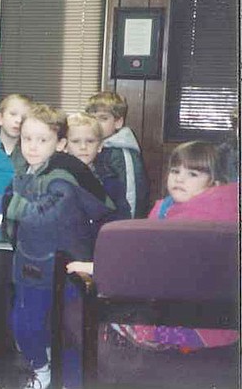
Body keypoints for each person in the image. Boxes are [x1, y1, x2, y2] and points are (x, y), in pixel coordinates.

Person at [67, 141, 239, 352]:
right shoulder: (175, 208)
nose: (179, 178)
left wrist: (97, 269)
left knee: (78, 309)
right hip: (203, 320)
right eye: (175, 170)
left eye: (193, 174)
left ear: (216, 183)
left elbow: (148, 268)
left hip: (187, 325)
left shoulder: (196, 223)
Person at [0, 103, 115, 389]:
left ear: (60, 144)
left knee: (60, 331)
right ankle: (43, 368)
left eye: (42, 140)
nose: (32, 146)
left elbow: (43, 215)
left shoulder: (62, 177)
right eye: (27, 139)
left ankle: (50, 373)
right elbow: (15, 199)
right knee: (26, 324)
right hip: (33, 264)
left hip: (57, 267)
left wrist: (10, 205)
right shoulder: (32, 169)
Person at [86, 91, 149, 218]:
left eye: (103, 118)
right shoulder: (90, 147)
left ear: (118, 122)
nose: (96, 124)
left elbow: (131, 195)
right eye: (92, 118)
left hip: (119, 225)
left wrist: (125, 229)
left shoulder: (121, 153)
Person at [66, 112, 130, 219]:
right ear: (65, 145)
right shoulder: (56, 178)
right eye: (76, 141)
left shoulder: (110, 179)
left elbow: (122, 218)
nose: (83, 147)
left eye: (90, 141)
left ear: (100, 146)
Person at [0, 93, 33, 174]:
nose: (19, 120)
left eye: (24, 117)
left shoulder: (32, 151)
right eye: (13, 114)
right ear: (0, 118)